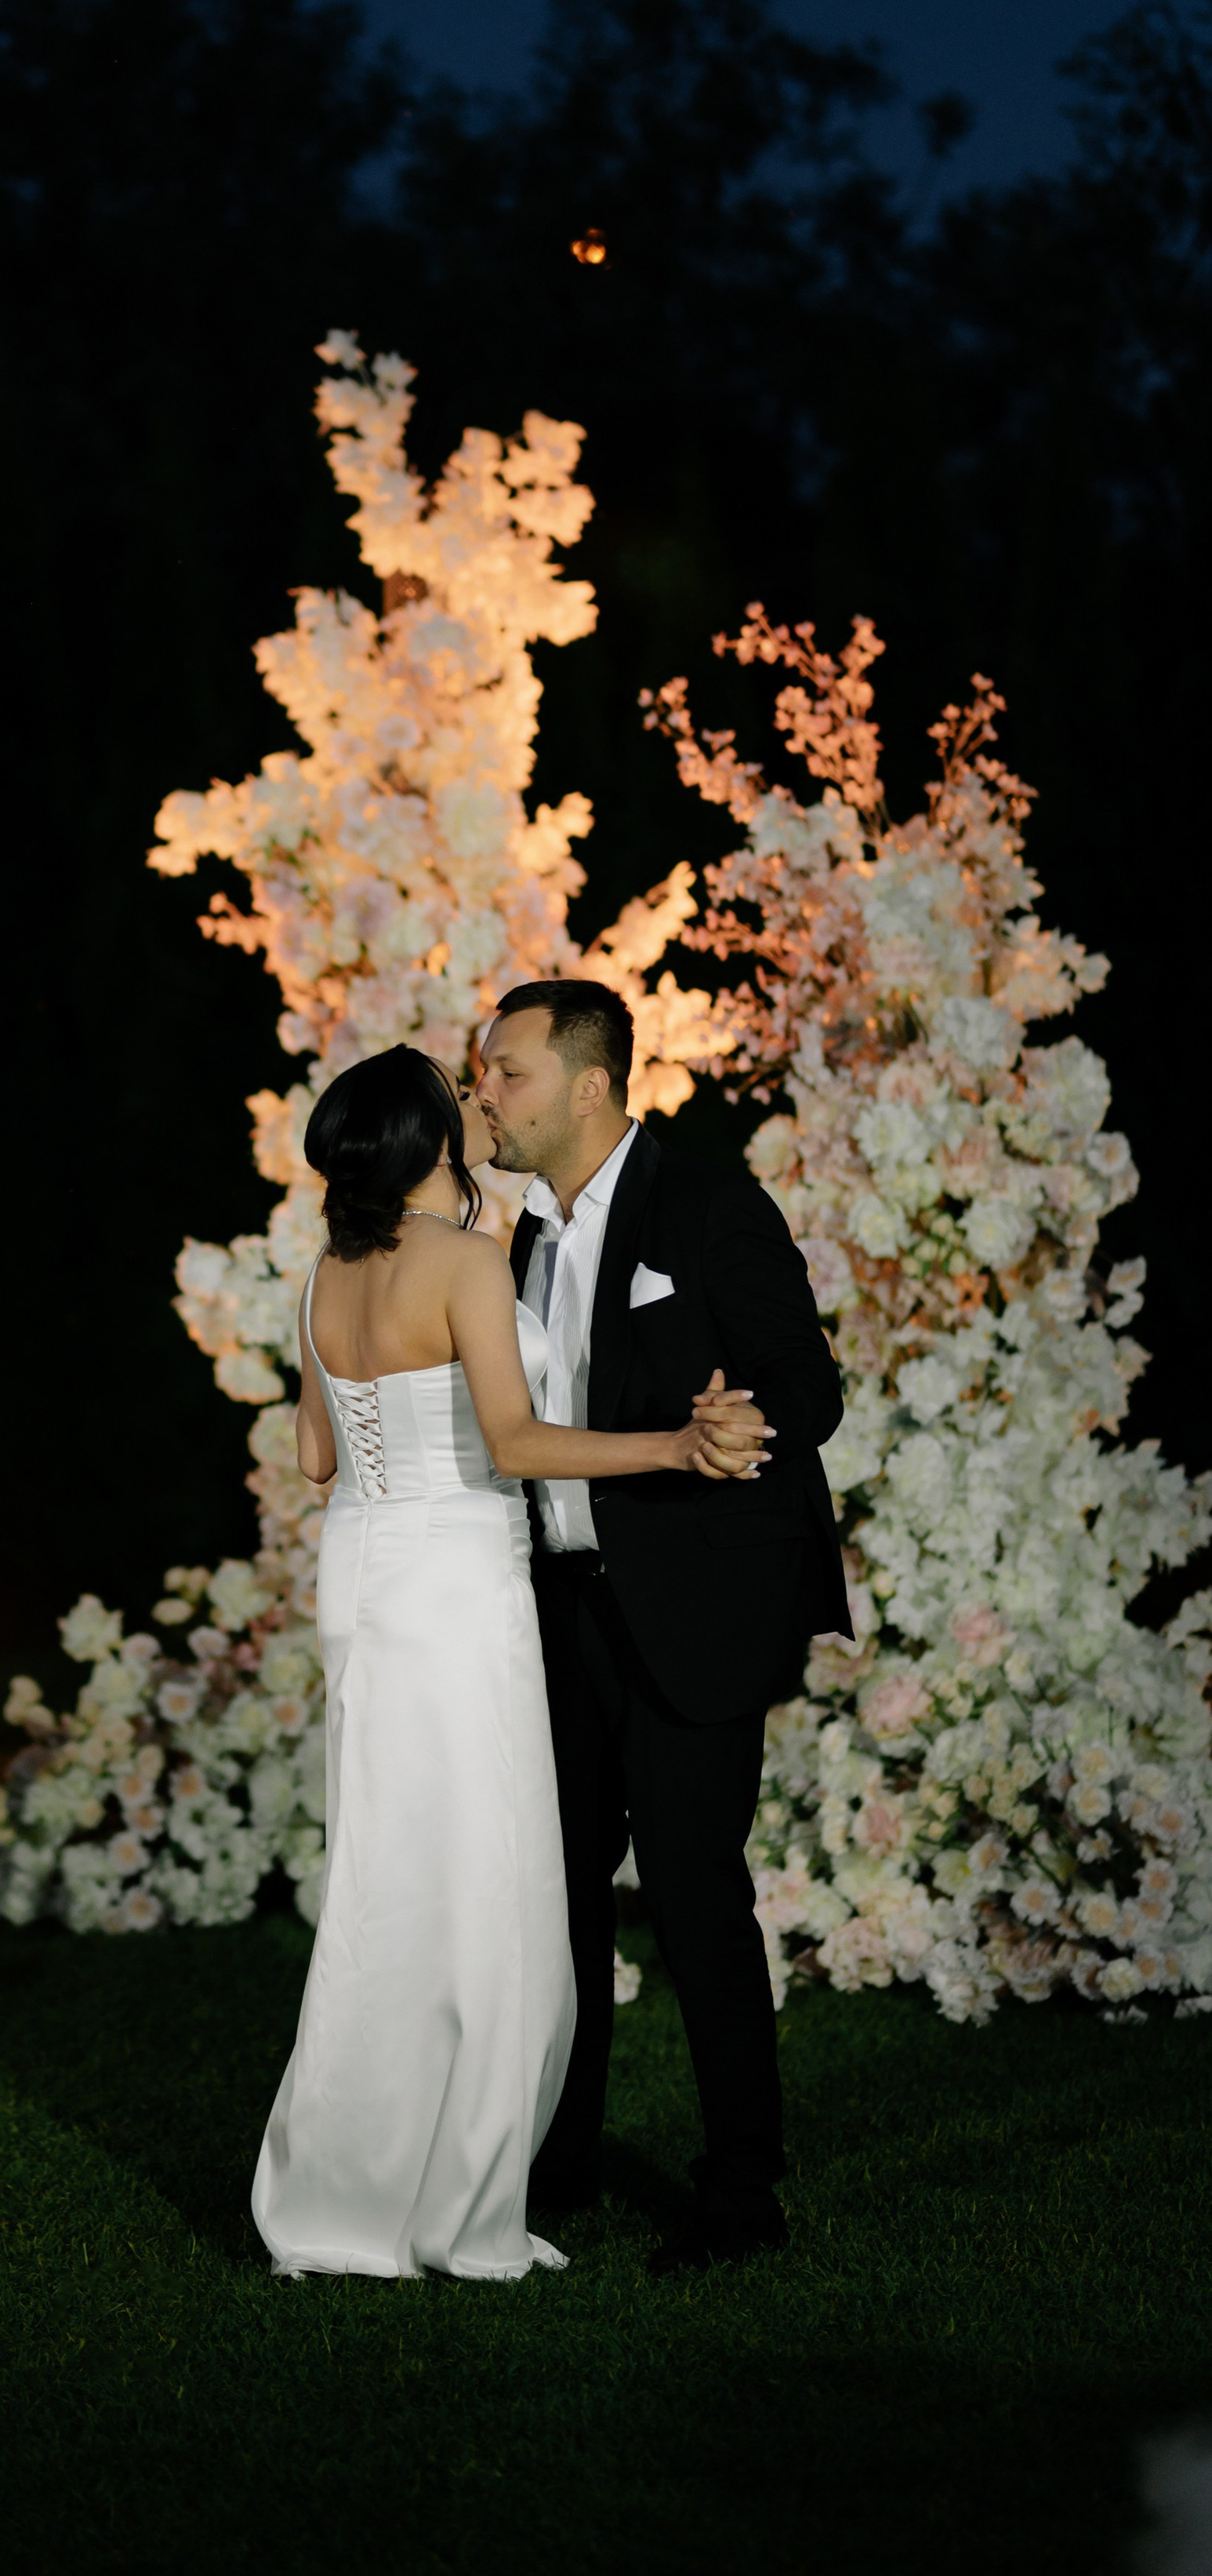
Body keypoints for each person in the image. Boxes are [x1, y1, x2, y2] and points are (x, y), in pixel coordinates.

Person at [250, 1045, 768, 2284]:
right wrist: (675, 1452)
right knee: (488, 1886)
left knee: (388, 1883)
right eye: (461, 1102)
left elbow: (318, 1461)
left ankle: (349, 2183)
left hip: (364, 1579)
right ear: (431, 1139)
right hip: (458, 1583)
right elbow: (520, 1441)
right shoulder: (469, 1265)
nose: (481, 1106)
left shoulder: (322, 1276)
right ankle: (460, 2188)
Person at [474, 978, 848, 2273]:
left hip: (689, 1617)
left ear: (589, 1085)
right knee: (560, 1906)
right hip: (554, 1614)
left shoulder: (704, 1202)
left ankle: (742, 2192)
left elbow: (808, 1378)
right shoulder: (508, 1240)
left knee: (698, 1908)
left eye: (506, 1073)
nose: (486, 1095)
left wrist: (751, 1418)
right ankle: (561, 2163)